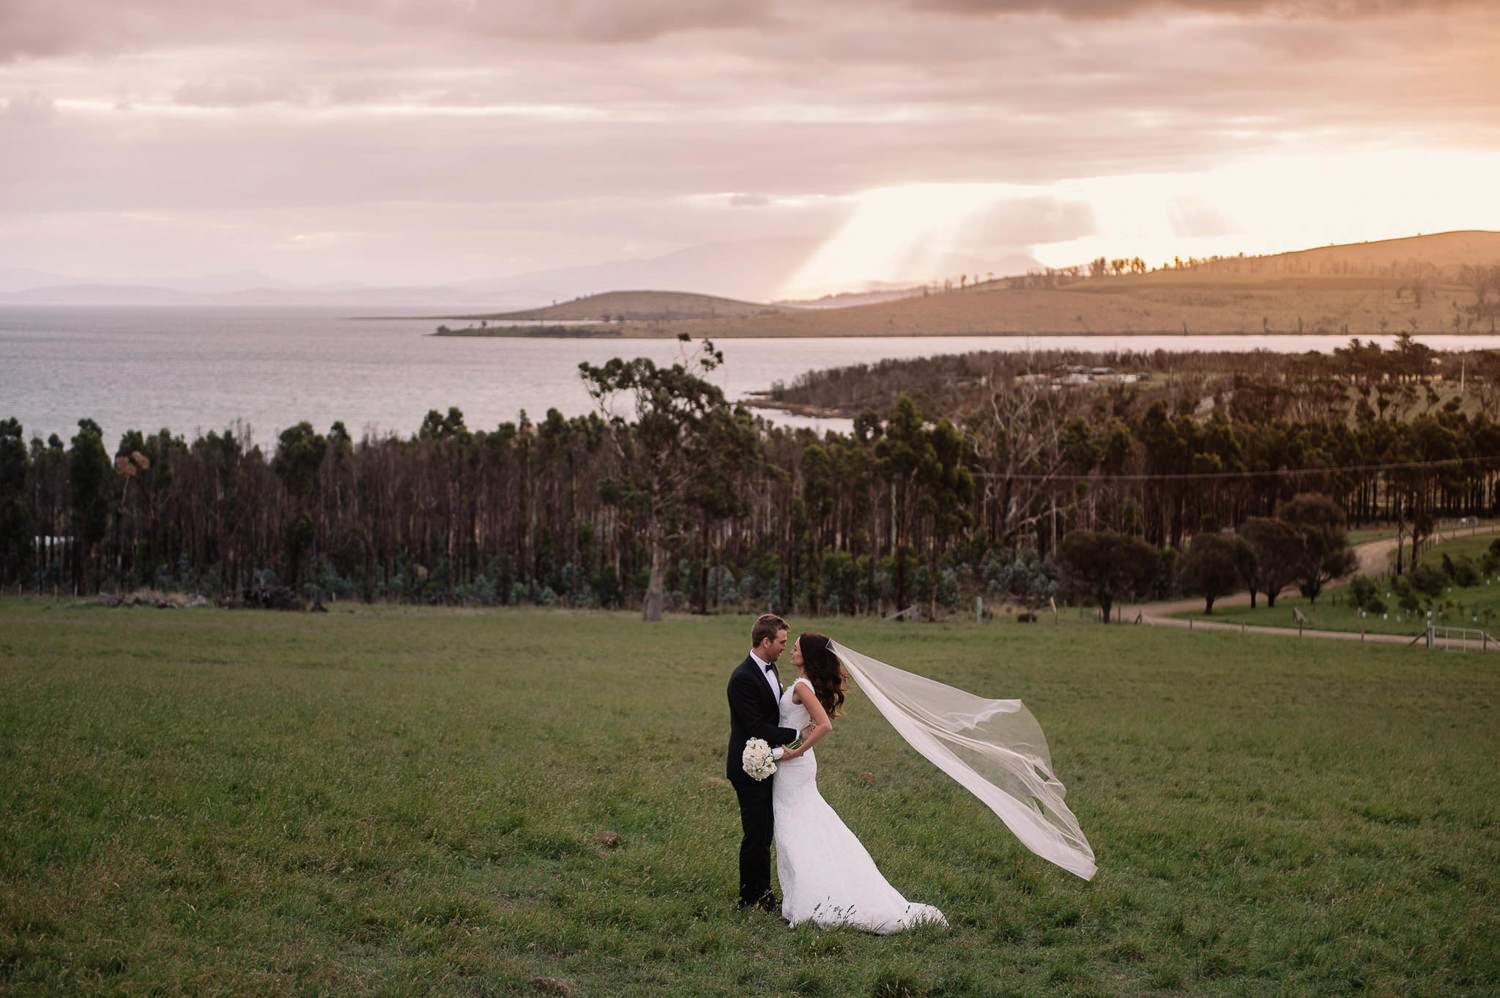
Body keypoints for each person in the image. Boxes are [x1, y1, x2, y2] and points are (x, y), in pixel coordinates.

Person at [771, 631, 947, 933]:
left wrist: (797, 750)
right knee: (804, 827)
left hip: (794, 766)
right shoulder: (805, 684)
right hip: (795, 766)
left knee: (794, 830)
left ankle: (811, 900)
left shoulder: (802, 685)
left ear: (808, 656)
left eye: (796, 648)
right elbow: (810, 721)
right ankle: (800, 897)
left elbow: (824, 725)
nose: (791, 650)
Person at [726, 613, 805, 911]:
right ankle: (751, 898)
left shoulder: (770, 670)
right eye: (782, 642)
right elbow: (756, 726)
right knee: (756, 834)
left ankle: (763, 893)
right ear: (765, 641)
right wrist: (798, 733)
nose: (785, 647)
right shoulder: (743, 678)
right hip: (748, 767)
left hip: (766, 762)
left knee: (764, 831)